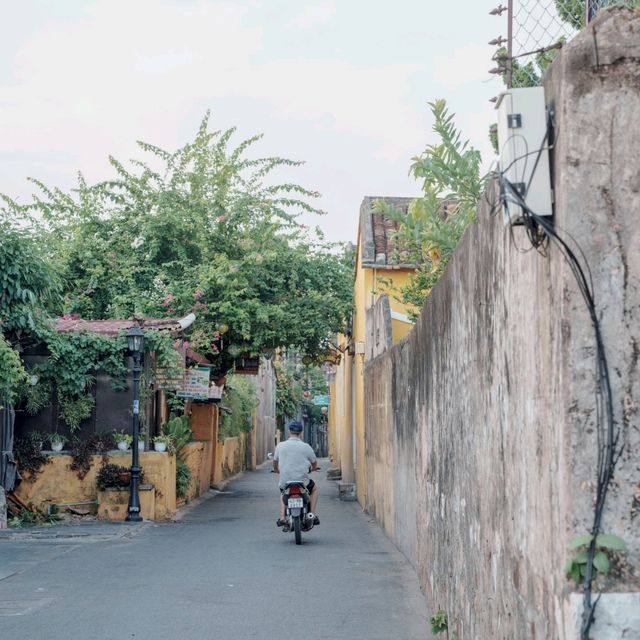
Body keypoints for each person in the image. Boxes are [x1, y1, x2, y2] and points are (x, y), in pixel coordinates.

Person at [273, 420, 320, 527]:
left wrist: (276, 469)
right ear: (301, 432)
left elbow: (275, 462)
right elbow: (314, 463)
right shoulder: (306, 446)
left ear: (289, 431)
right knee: (314, 489)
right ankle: (312, 514)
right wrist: (313, 469)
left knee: (283, 493)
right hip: (303, 483)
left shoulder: (280, 446)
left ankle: (282, 517)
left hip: (285, 481)